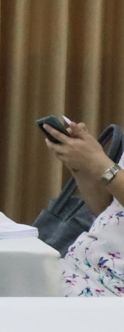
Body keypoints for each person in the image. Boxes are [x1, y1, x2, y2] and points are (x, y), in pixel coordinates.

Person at [41, 118, 124, 296]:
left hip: (108, 291)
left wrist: (98, 162)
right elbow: (107, 211)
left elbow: (104, 168)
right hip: (77, 267)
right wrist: (81, 166)